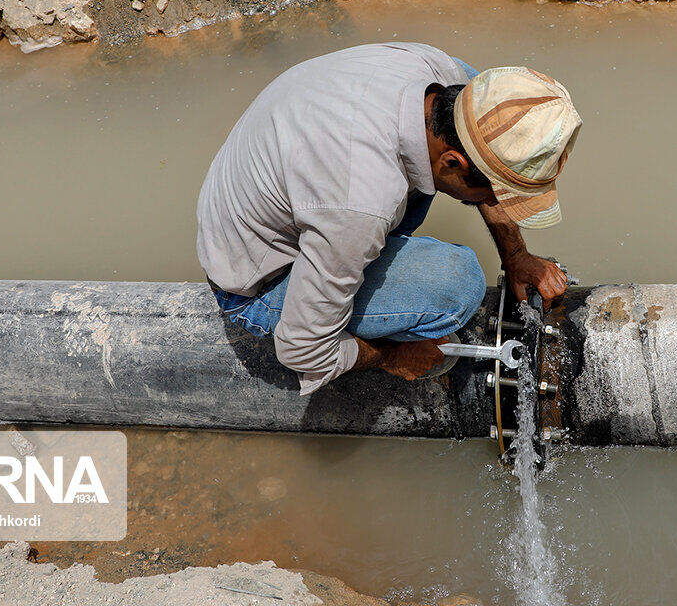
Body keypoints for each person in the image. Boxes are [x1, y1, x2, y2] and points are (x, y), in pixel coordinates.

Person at [196, 42, 582, 393]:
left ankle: (342, 264)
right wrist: (391, 358)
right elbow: (301, 350)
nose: (503, 206)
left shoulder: (443, 77)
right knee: (458, 285)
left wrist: (515, 256)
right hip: (258, 280)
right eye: (499, 195)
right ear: (453, 161)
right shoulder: (358, 200)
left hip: (283, 186)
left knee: (469, 79)